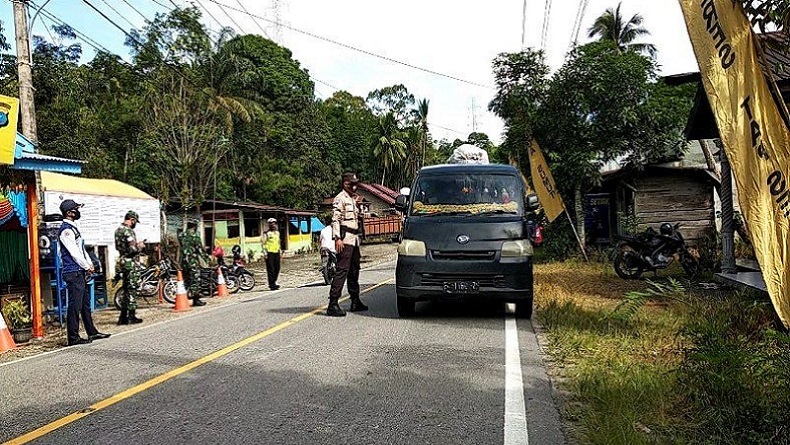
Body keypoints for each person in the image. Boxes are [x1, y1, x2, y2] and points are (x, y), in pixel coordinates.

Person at [58, 200, 111, 345]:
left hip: (79, 270)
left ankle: (92, 332)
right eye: (75, 209)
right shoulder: (66, 230)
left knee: (85, 304)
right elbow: (74, 253)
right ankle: (73, 337)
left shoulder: (74, 228)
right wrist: (86, 265)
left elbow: (81, 249)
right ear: (69, 212)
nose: (78, 211)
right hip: (73, 271)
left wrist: (89, 264)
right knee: (75, 305)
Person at [327, 173, 368, 317]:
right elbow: (335, 219)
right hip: (345, 239)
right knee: (342, 270)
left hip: (354, 238)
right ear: (345, 184)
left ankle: (355, 300)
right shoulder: (341, 198)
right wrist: (337, 238)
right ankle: (333, 303)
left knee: (354, 270)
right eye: (353, 183)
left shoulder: (352, 199)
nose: (355, 186)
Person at [114, 210, 145, 325]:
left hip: (122, 261)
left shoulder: (118, 231)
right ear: (132, 220)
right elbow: (132, 250)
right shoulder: (128, 231)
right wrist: (140, 246)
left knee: (126, 288)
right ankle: (131, 316)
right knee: (132, 289)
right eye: (135, 221)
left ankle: (122, 317)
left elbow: (119, 247)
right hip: (130, 263)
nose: (135, 223)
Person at [178, 221, 207, 306]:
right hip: (192, 261)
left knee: (187, 280)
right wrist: (208, 261)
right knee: (195, 280)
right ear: (195, 227)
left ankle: (185, 298)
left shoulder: (181, 236)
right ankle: (196, 300)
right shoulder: (195, 237)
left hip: (184, 262)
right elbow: (200, 250)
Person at [263, 218, 281, 290]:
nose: (273, 225)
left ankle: (274, 281)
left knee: (277, 268)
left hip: (276, 252)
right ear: (269, 225)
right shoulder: (267, 234)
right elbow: (263, 244)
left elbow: (278, 242)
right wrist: (265, 253)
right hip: (269, 253)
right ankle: (272, 284)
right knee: (271, 269)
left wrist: (280, 250)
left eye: (274, 223)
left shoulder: (277, 233)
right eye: (271, 224)